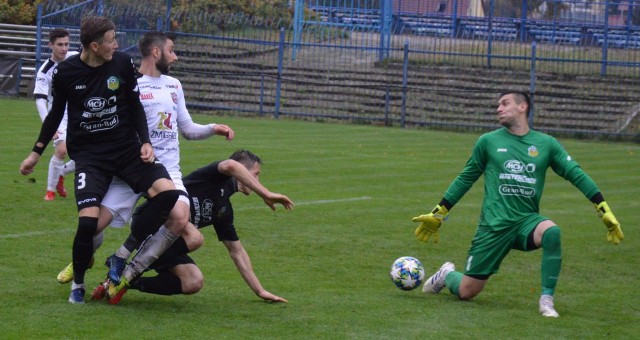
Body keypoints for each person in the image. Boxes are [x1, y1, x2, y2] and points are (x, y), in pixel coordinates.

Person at [411, 90, 624, 318]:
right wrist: (438, 212)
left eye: (505, 103)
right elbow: (465, 178)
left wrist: (603, 208)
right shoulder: (488, 141)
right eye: (498, 105)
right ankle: (447, 274)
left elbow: (576, 173)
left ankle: (546, 301)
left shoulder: (546, 144)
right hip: (493, 227)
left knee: (552, 232)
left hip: (525, 222)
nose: (498, 109)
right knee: (467, 292)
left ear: (523, 107)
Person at [20, 16, 183, 304]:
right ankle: (78, 285)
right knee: (87, 225)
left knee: (168, 195)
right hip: (91, 157)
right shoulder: (66, 73)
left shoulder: (121, 64)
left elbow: (133, 106)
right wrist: (37, 151)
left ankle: (120, 256)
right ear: (95, 46)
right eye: (111, 40)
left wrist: (145, 141)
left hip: (126, 150)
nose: (117, 44)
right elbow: (56, 114)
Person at [54, 31, 235, 290]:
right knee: (92, 227)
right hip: (132, 168)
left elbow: (186, 128)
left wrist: (212, 127)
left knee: (180, 216)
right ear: (156, 52)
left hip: (167, 169)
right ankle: (84, 259)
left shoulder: (174, 85)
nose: (176, 56)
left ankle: (127, 271)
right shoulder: (128, 82)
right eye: (172, 50)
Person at [92, 149, 294, 304]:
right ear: (243, 171)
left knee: (193, 281)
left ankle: (124, 282)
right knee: (195, 237)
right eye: (255, 174)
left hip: (170, 240)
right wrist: (266, 193)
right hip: (152, 218)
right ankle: (128, 269)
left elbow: (237, 252)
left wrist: (260, 290)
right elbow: (230, 165)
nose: (256, 179)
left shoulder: (224, 210)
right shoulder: (216, 176)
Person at [33, 28, 78, 200]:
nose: (64, 48)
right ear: (50, 45)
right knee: (61, 151)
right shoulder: (45, 71)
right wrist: (49, 126)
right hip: (59, 115)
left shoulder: (76, 58)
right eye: (60, 44)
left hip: (81, 112)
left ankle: (61, 173)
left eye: (66, 44)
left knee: (89, 153)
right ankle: (50, 191)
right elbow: (40, 100)